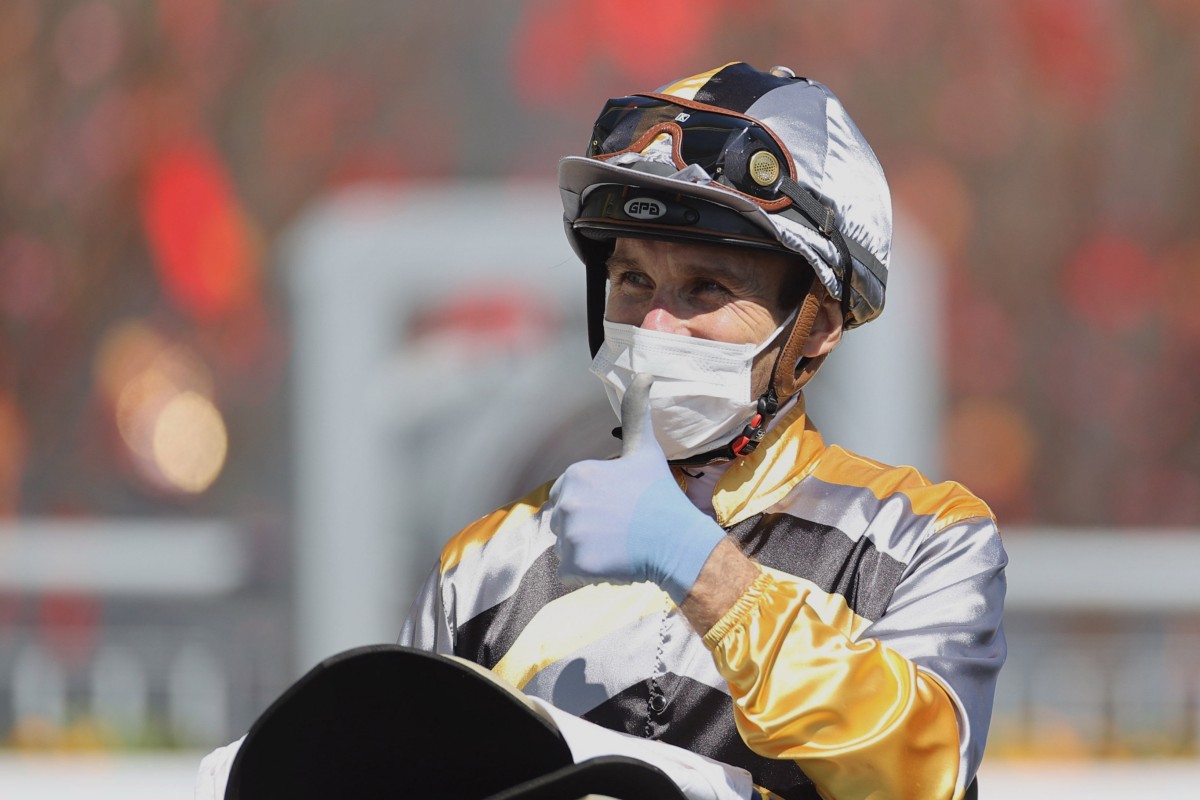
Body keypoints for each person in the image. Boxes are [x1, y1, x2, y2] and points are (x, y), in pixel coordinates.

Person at [197, 62, 1006, 800]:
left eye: (705, 288)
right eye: (632, 280)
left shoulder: (927, 536)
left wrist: (698, 565)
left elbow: (920, 769)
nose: (656, 321)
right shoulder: (485, 565)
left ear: (818, 327)